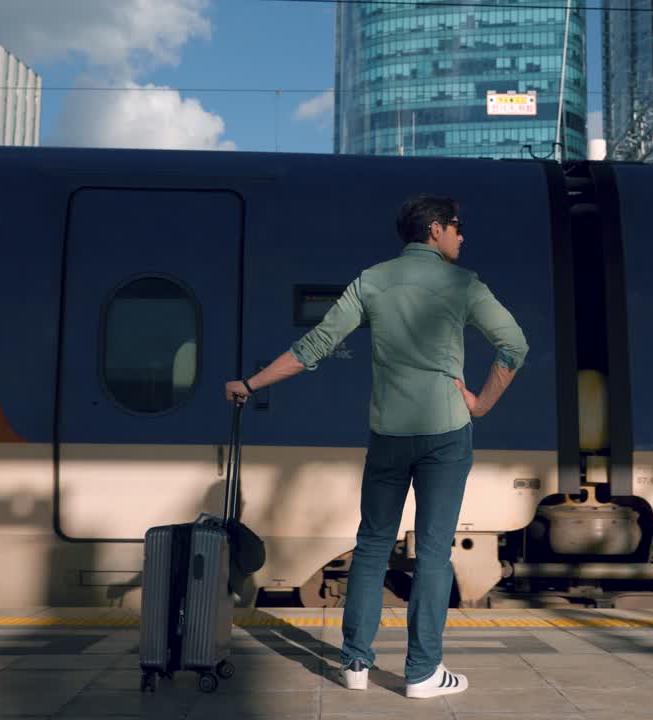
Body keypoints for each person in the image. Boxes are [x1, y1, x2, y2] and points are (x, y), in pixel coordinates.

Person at [223, 194, 527, 698]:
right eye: (455, 226)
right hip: (446, 433)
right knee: (431, 553)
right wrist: (481, 404)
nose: (461, 234)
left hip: (388, 435)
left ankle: (355, 664)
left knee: (371, 546)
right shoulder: (464, 284)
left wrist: (251, 385)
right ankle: (423, 673)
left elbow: (313, 347)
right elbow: (514, 343)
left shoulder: (371, 281)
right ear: (433, 230)